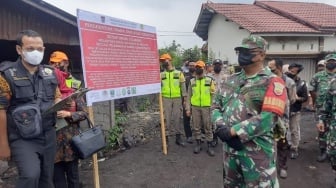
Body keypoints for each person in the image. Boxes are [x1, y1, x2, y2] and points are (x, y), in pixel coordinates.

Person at [212, 36, 286, 187]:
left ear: (262, 55)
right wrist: (220, 127)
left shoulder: (273, 82)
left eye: (248, 51)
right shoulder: (230, 80)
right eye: (239, 51)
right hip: (230, 152)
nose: (242, 55)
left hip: (257, 156)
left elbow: (269, 118)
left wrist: (233, 131)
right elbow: (215, 106)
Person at [0, 29, 61, 188]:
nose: (36, 52)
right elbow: (1, 110)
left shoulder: (50, 73)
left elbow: (57, 95)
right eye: (30, 48)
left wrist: (61, 103)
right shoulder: (6, 75)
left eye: (40, 49)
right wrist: (3, 145)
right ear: (19, 50)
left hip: (48, 135)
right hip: (22, 138)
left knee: (47, 179)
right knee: (30, 175)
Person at [49, 51, 88, 188]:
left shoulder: (75, 86)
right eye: (52, 62)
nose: (55, 65)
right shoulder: (45, 89)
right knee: (58, 181)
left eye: (58, 62)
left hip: (71, 142)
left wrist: (68, 114)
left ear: (66, 63)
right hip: (53, 145)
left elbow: (84, 113)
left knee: (73, 178)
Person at [268, 58, 296, 179]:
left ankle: (283, 166)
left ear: (279, 68)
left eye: (272, 68)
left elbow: (293, 98)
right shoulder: (267, 80)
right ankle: (270, 167)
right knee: (268, 143)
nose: (269, 70)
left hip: (282, 119)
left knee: (282, 143)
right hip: (268, 117)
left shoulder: (289, 82)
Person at [186, 60, 216, 156]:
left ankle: (209, 146)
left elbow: (213, 95)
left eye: (200, 67)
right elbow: (188, 95)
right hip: (195, 107)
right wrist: (188, 108)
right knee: (196, 126)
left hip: (206, 107)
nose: (198, 69)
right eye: (197, 67)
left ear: (204, 68)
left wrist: (212, 106)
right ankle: (198, 144)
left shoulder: (209, 80)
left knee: (208, 126)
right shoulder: (192, 81)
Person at [310, 54, 336, 162]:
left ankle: (332, 150)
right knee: (322, 130)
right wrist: (315, 101)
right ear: (325, 63)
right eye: (329, 61)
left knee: (333, 129)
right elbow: (311, 89)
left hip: (333, 108)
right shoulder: (318, 76)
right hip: (322, 108)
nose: (331, 63)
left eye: (333, 61)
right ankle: (323, 151)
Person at [316, 54, 336, 188]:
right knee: (333, 155)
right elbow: (327, 104)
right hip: (334, 126)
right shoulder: (333, 83)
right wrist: (321, 120)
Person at [160, 53, 187, 147]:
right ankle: (166, 139)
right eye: (162, 61)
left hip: (177, 99)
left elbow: (183, 87)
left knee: (177, 118)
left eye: (164, 60)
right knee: (166, 118)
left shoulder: (179, 73)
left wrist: (184, 99)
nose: (163, 62)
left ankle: (178, 138)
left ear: (170, 60)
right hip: (165, 98)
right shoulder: (161, 74)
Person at [286, 63, 308, 159]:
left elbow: (305, 98)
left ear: (298, 72)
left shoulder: (302, 83)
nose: (292, 71)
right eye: (291, 69)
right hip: (283, 110)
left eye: (294, 71)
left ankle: (294, 148)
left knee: (294, 130)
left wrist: (298, 98)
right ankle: (283, 146)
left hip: (295, 110)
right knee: (282, 130)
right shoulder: (283, 80)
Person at [182, 61, 195, 144]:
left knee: (198, 119)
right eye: (190, 65)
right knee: (186, 118)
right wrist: (184, 100)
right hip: (187, 100)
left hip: (197, 101)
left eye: (193, 65)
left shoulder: (199, 76)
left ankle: (199, 135)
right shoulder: (185, 76)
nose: (191, 67)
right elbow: (183, 89)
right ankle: (189, 136)